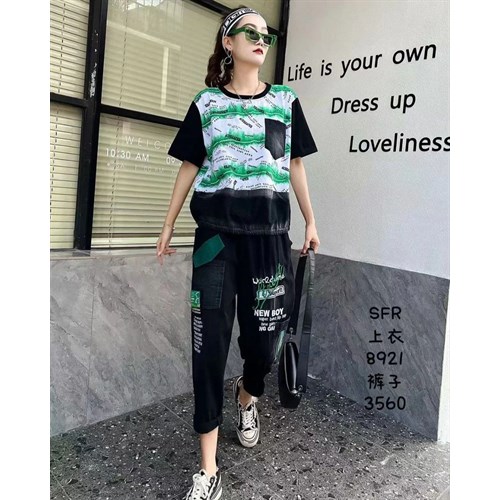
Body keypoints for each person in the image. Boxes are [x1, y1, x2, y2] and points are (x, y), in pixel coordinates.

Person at [156, 5, 320, 499]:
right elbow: (189, 165)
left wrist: (311, 220)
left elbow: (294, 165)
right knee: (207, 348)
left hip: (269, 239)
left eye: (266, 34)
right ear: (228, 43)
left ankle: (247, 395)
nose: (261, 39)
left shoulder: (286, 101)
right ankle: (208, 468)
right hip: (215, 240)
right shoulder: (206, 104)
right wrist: (168, 224)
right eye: (250, 32)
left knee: (263, 347)